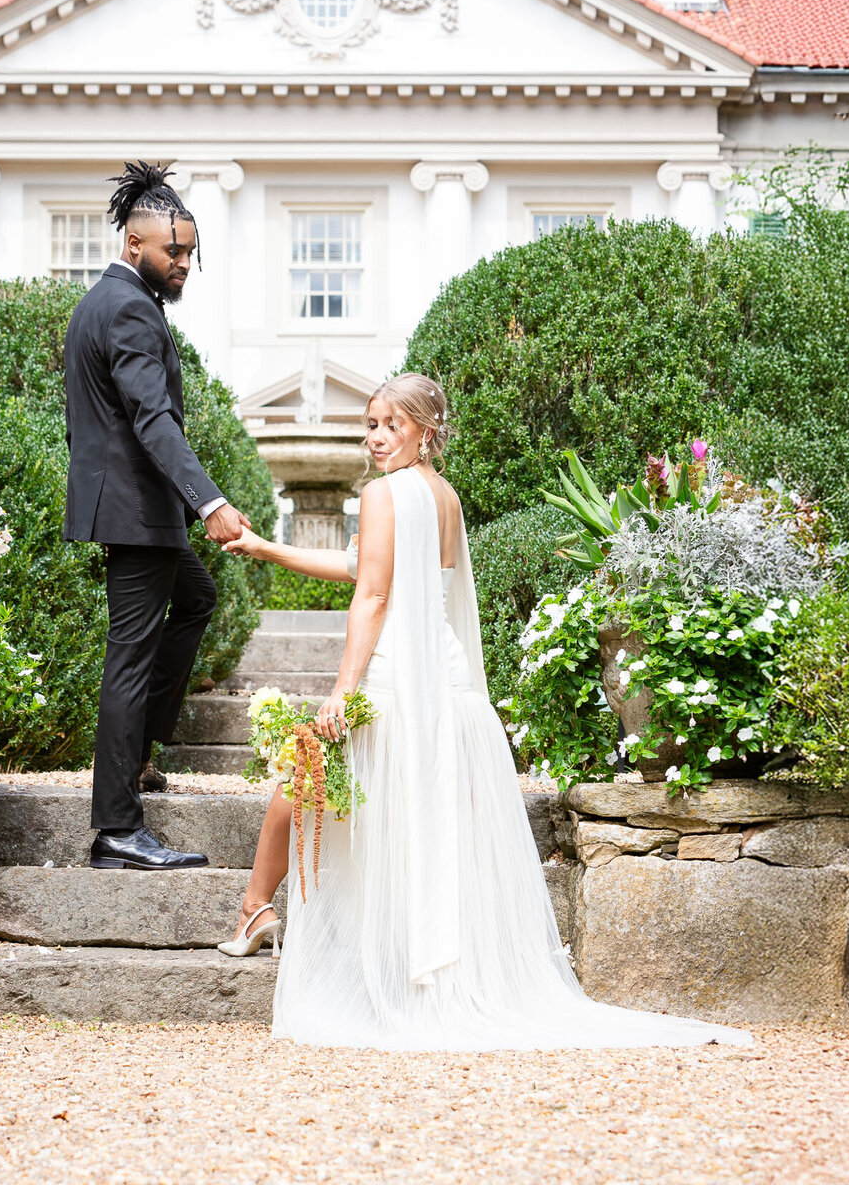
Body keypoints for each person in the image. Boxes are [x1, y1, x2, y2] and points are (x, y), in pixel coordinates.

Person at [217, 373, 751, 1050]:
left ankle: (259, 911)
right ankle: (272, 914)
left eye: (391, 424)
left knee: (305, 778)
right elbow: (365, 567)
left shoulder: (383, 495)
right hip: (445, 681)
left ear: (426, 431)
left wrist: (341, 689)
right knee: (362, 801)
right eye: (371, 424)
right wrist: (266, 547)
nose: (376, 436)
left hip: (391, 677)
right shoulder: (445, 498)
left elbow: (373, 598)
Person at [63, 161, 253, 871]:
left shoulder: (105, 302)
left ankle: (138, 757)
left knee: (197, 598)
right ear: (134, 241)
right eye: (174, 252)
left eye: (190, 255)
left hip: (133, 509)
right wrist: (211, 501)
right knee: (130, 659)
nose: (183, 265)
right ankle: (117, 828)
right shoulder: (131, 308)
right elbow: (153, 421)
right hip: (138, 512)